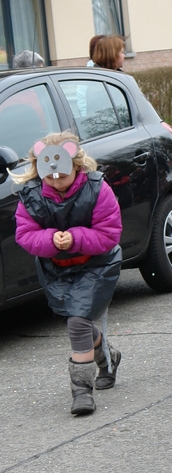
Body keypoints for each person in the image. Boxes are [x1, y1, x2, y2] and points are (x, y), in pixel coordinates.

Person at [13, 131, 123, 416]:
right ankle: (108, 357)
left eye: (61, 176)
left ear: (76, 165)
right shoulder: (31, 196)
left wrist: (74, 238)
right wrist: (51, 241)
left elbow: (109, 233)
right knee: (78, 321)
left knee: (77, 320)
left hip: (96, 265)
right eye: (49, 177)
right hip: (56, 269)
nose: (55, 182)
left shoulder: (98, 190)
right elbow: (25, 234)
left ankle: (82, 390)